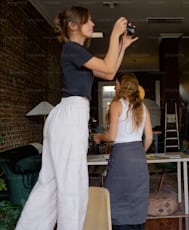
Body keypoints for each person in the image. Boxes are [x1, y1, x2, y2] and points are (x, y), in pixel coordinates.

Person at [16, 6, 138, 230]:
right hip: (70, 116)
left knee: (51, 184)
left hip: (68, 116)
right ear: (73, 25)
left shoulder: (77, 54)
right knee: (72, 184)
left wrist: (122, 46)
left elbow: (109, 73)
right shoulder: (72, 49)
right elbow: (108, 66)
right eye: (88, 20)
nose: (92, 24)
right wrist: (114, 34)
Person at [93, 73, 153, 230]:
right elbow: (149, 138)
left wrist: (98, 136)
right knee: (137, 197)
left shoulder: (116, 105)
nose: (114, 87)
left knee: (115, 195)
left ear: (122, 85)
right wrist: (139, 152)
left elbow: (112, 136)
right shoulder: (142, 107)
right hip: (138, 156)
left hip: (121, 157)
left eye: (116, 84)